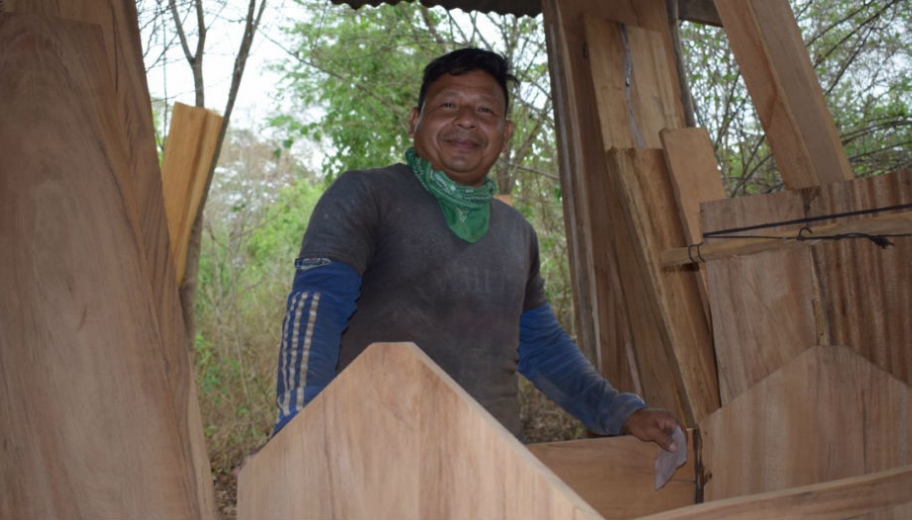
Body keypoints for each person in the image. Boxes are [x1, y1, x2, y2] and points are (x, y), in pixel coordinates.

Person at [273, 47, 680, 451]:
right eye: (448, 104)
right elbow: (315, 309)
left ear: (505, 133)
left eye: (485, 111)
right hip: (376, 460)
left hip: (493, 463)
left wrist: (620, 412)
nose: (466, 120)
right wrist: (298, 428)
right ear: (414, 121)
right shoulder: (367, 195)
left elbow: (541, 345)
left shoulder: (516, 232)